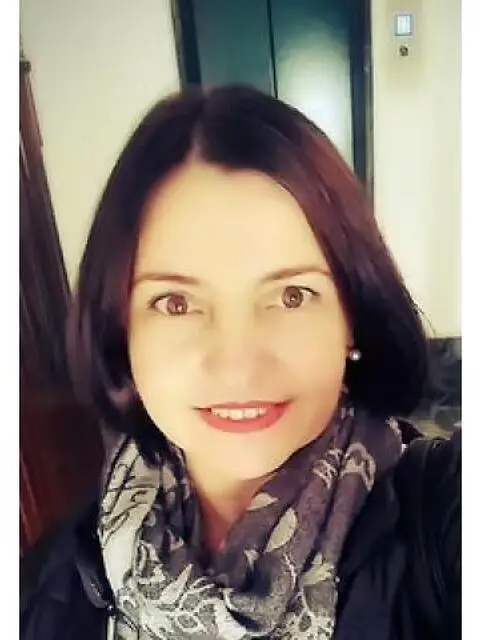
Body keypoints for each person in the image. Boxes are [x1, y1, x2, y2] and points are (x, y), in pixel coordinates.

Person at [20, 85, 460, 640]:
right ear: (121, 330)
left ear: (353, 315)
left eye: (292, 296)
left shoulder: (441, 521)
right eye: (176, 303)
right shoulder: (43, 589)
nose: (237, 365)